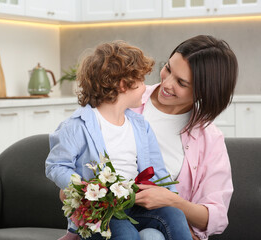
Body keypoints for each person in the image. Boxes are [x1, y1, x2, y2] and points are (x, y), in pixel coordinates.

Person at [45, 41, 193, 240]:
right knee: (126, 235)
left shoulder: (140, 126)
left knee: (174, 215)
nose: (145, 88)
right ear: (123, 84)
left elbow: (158, 171)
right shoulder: (76, 125)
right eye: (140, 80)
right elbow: (56, 165)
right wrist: (82, 187)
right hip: (103, 211)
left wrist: (171, 198)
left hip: (135, 204)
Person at [133, 35, 238, 240]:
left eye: (181, 82)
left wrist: (172, 202)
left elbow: (214, 217)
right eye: (168, 68)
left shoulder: (209, 138)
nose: (167, 83)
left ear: (204, 92)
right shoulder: (126, 100)